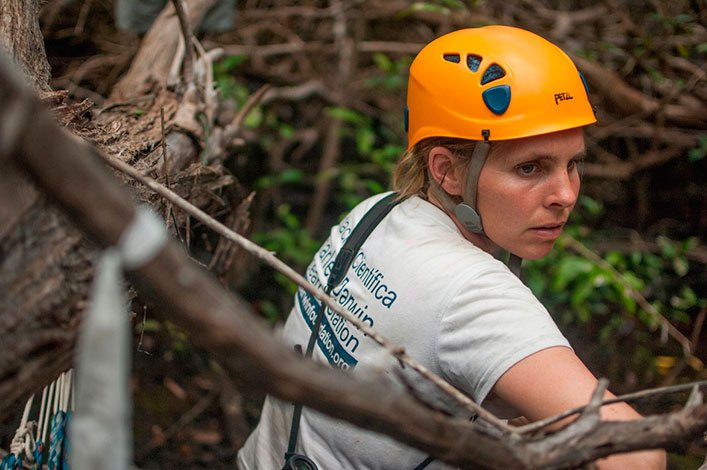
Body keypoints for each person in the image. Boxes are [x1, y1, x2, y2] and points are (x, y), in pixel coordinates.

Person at [237, 25, 666, 469]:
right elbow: (635, 457)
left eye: (572, 163)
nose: (566, 194)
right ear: (447, 171)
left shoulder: (376, 213)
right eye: (530, 167)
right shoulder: (473, 295)